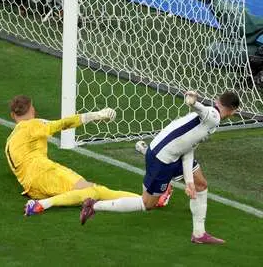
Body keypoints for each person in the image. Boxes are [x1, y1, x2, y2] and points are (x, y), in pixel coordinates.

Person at [80, 91, 241, 245]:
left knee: (201, 185)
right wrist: (193, 102)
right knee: (147, 204)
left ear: (217, 101)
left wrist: (190, 182)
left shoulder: (208, 121)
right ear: (233, 111)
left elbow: (188, 148)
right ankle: (93, 206)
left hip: (174, 153)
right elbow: (203, 111)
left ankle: (199, 234)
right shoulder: (213, 117)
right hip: (162, 159)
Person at [5, 95, 140, 216]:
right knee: (92, 191)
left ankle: (145, 200)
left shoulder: (10, 141)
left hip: (32, 188)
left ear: (13, 115)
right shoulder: (32, 125)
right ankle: (42, 204)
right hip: (43, 171)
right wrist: (95, 115)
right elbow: (62, 124)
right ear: (32, 109)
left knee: (97, 191)